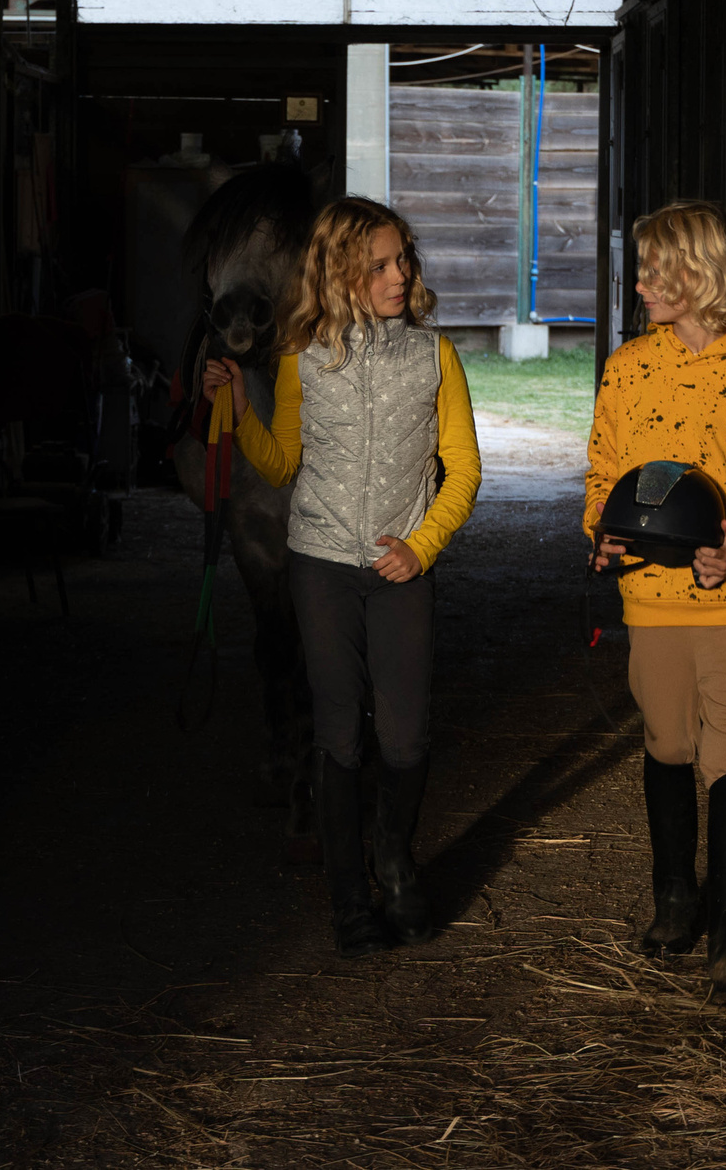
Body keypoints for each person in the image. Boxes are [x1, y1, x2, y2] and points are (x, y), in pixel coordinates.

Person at [202, 197, 481, 957]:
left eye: (404, 260)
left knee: (404, 736)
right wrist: (233, 403)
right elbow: (281, 462)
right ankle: (349, 898)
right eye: (383, 264)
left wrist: (422, 547)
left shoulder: (435, 357)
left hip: (401, 570)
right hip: (321, 565)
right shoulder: (300, 359)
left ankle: (393, 854)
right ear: (342, 273)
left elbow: (464, 470)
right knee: (339, 736)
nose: (402, 275)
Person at [586, 200, 726, 1002]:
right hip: (651, 594)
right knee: (669, 739)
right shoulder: (626, 367)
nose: (640, 281)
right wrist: (601, 535)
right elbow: (604, 471)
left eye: (654, 269)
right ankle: (674, 899)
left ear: (700, 276)